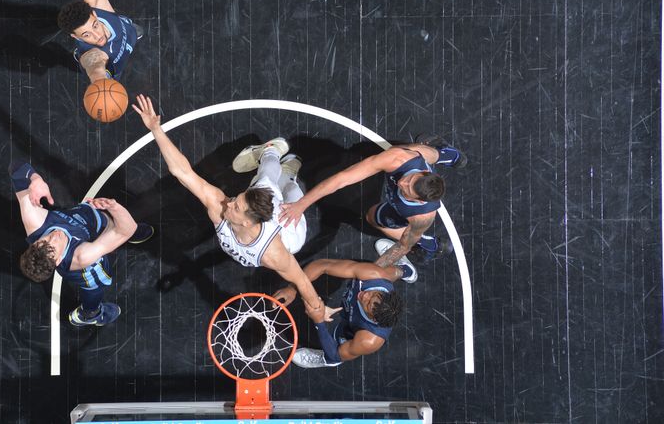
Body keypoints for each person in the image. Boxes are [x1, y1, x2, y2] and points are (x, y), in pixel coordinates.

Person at [131, 95, 326, 317]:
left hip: (288, 227)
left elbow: (301, 280)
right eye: (237, 198)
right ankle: (270, 150)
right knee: (264, 178)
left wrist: (318, 309)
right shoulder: (223, 206)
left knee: (290, 190)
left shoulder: (275, 252)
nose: (230, 201)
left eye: (236, 205)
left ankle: (289, 175)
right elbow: (182, 172)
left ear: (246, 220)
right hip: (264, 201)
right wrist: (156, 129)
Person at [279, 135, 466, 270]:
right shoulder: (400, 159)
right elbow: (341, 179)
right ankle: (448, 155)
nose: (402, 182)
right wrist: (301, 204)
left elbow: (403, 246)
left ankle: (428, 244)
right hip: (410, 156)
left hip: (404, 216)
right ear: (424, 172)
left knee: (371, 217)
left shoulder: (422, 216)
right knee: (419, 150)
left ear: (418, 200)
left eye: (408, 189)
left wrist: (373, 272)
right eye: (410, 179)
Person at [11, 162, 154, 326]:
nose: (55, 235)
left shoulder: (34, 221)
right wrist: (115, 208)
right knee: (95, 287)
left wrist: (35, 178)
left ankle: (114, 222)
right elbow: (124, 231)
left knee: (101, 221)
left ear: (35, 241)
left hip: (87, 221)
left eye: (46, 239)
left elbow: (16, 169)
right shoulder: (82, 256)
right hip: (90, 265)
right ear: (58, 260)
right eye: (54, 245)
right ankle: (90, 314)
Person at [273, 255, 415, 368]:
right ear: (383, 293)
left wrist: (319, 322)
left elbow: (337, 354)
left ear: (374, 319)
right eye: (374, 294)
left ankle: (326, 360)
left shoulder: (369, 339)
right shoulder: (374, 275)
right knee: (388, 272)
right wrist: (292, 288)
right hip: (380, 276)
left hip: (352, 328)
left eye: (368, 304)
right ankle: (405, 270)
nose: (365, 296)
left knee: (336, 353)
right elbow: (323, 265)